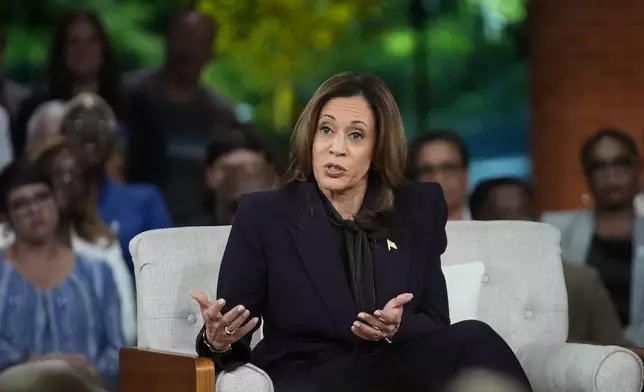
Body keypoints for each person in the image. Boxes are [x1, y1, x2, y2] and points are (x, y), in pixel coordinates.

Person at [191, 72, 531, 392]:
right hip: (309, 376)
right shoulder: (265, 214)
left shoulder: (416, 208)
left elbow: (435, 321)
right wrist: (216, 341)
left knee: (474, 336)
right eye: (326, 130)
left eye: (355, 135)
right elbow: (232, 334)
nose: (335, 148)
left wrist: (397, 329)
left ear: (379, 146)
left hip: (390, 366)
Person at [0, 160, 122, 387]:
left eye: (42, 197)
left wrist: (84, 373)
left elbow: (116, 350)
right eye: (20, 204)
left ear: (56, 200)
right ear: (6, 216)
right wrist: (41, 365)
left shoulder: (97, 273)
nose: (35, 209)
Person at [470, 177, 627, 345]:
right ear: (478, 225)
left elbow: (618, 354)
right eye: (504, 216)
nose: (521, 224)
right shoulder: (465, 286)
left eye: (525, 213)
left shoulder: (580, 282)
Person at [126, 8, 239, 222]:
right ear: (167, 41)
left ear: (210, 53)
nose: (188, 50)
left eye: (199, 42)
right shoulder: (129, 95)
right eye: (183, 38)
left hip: (195, 232)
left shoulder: (221, 115)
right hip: (132, 226)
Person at [541, 128, 644, 344]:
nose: (611, 175)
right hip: (579, 352)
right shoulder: (555, 230)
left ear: (638, 168)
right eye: (599, 167)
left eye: (621, 163)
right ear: (586, 176)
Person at [59, 93, 172, 280]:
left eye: (100, 127)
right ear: (61, 139)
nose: (90, 137)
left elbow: (167, 267)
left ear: (114, 139)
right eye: (79, 127)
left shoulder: (144, 201)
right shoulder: (51, 204)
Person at [35, 138, 136, 346]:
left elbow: (126, 327)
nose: (66, 181)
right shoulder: (7, 241)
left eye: (75, 176)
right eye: (57, 174)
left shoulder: (102, 245)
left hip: (89, 366)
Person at [12, 11, 127, 159]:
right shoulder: (37, 107)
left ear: (104, 47)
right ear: (61, 51)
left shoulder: (127, 105)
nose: (83, 49)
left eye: (92, 40)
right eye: (73, 42)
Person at [407, 131, 471, 220]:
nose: (438, 179)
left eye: (448, 168)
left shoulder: (492, 221)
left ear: (465, 173)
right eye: (427, 171)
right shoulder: (397, 230)